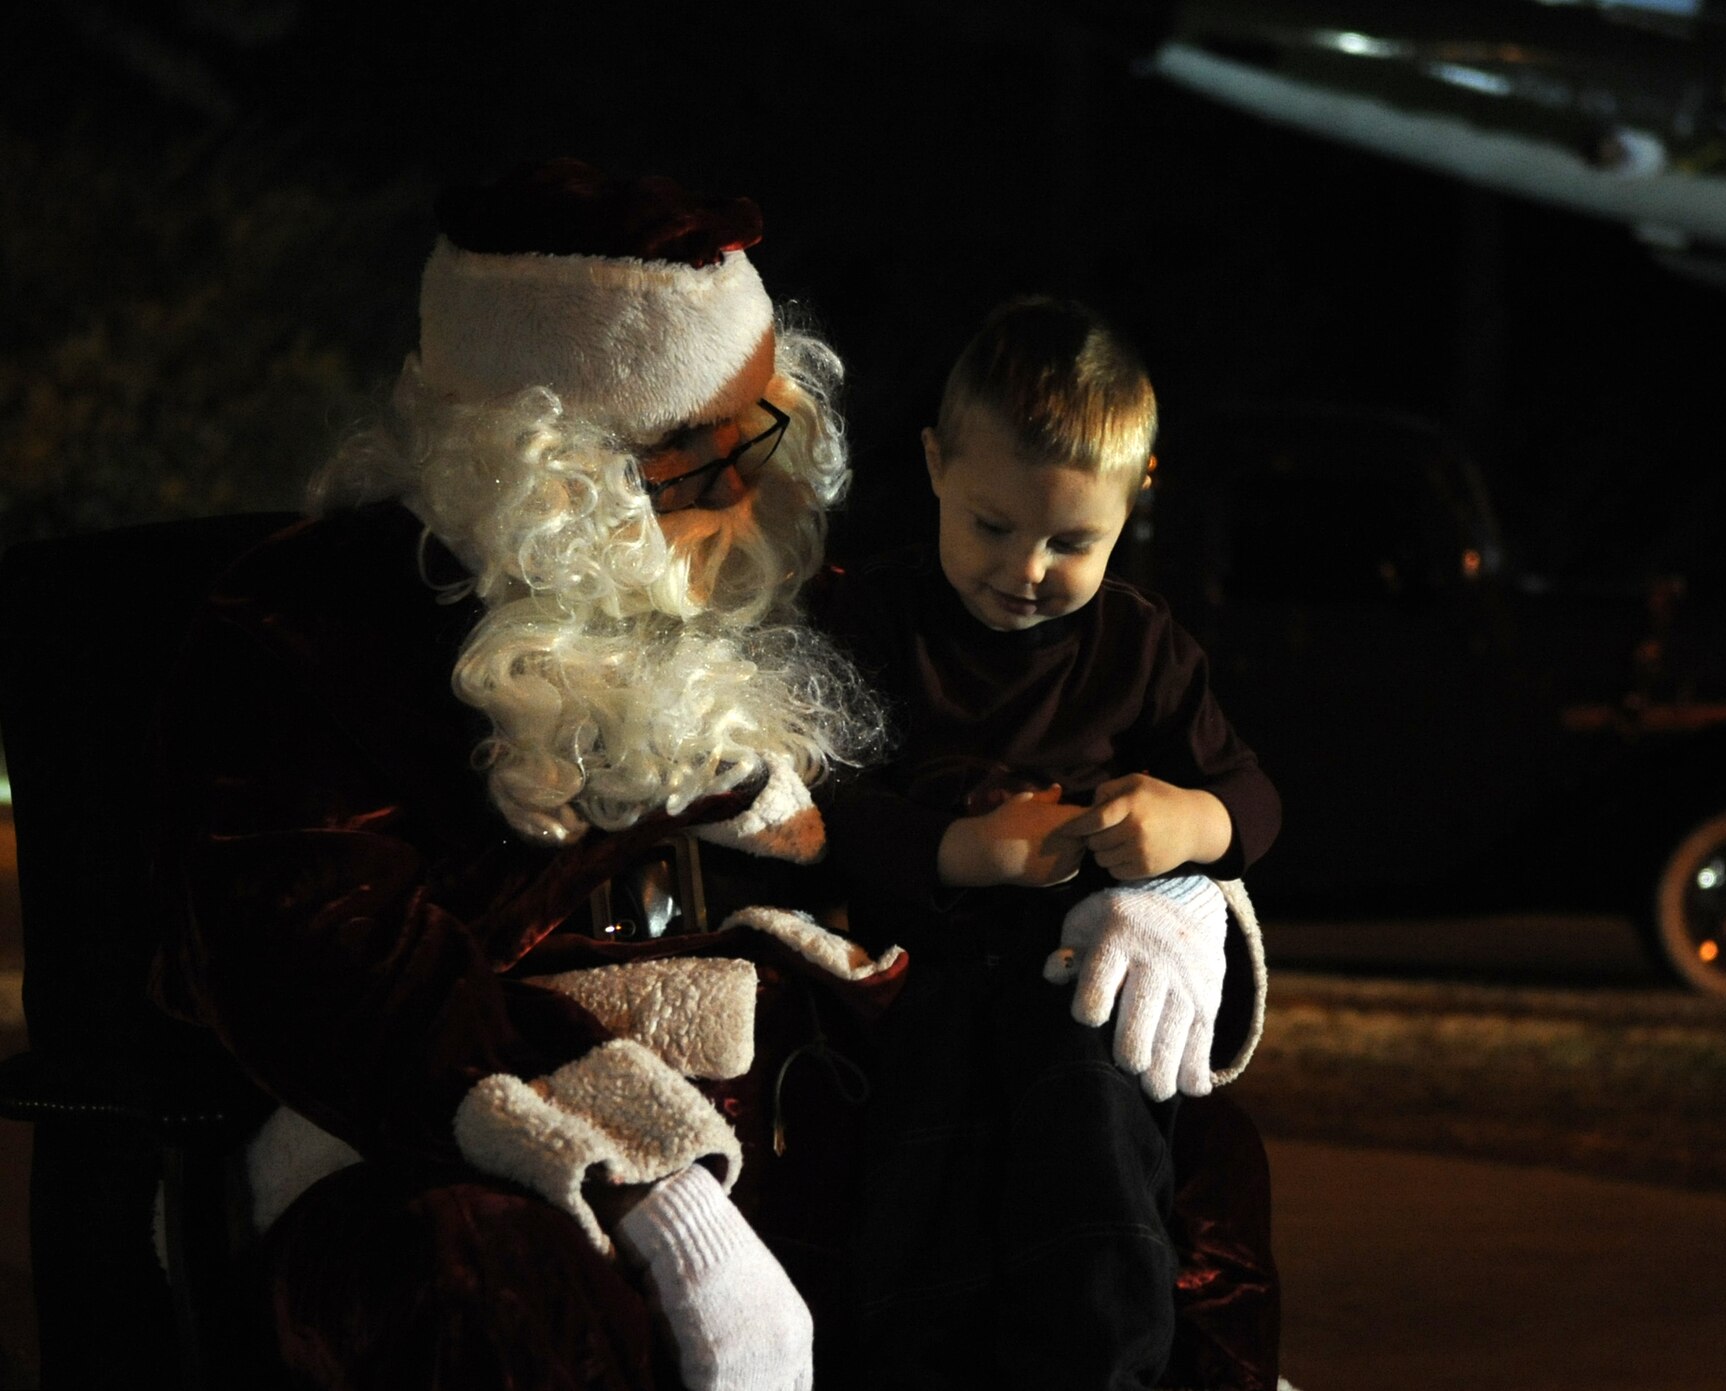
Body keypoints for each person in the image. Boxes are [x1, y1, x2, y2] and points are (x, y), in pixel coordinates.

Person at [151, 158, 902, 1391]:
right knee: (485, 1292)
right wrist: (650, 1174)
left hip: (772, 1102)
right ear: (551, 472)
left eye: (765, 430)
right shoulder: (310, 629)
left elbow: (928, 799)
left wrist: (1161, 880)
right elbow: (324, 957)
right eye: (710, 459)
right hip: (434, 1146)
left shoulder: (744, 572)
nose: (759, 490)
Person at [814, 295, 1283, 1390]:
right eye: (991, 524)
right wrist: (966, 849)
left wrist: (1186, 822)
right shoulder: (873, 620)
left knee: (1095, 1170)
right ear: (933, 464)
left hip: (1076, 989)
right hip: (912, 987)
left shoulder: (1138, 645)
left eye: (1071, 540)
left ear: (1134, 505)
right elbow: (824, 812)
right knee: (923, 1213)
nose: (1025, 568)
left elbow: (1253, 799)